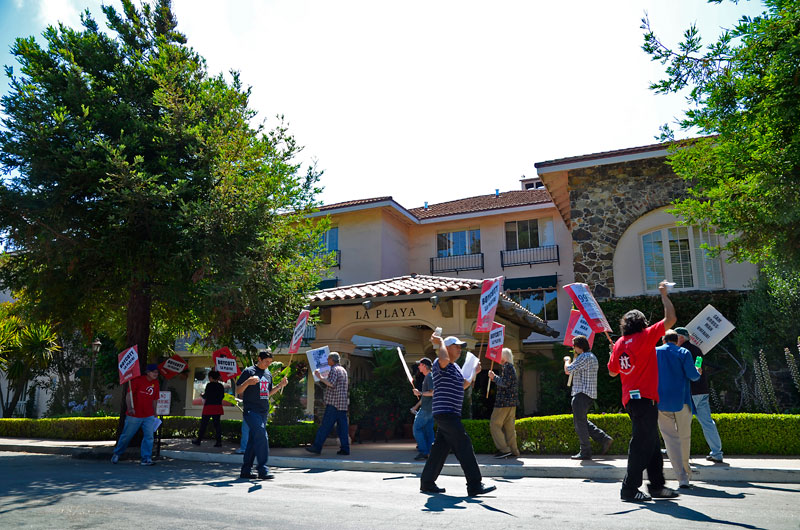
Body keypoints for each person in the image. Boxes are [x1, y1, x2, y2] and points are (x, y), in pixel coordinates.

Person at [608, 280, 679, 502]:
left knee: (651, 442)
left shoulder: (619, 343)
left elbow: (612, 372)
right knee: (641, 442)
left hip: (631, 400)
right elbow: (671, 320)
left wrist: (615, 353)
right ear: (642, 323)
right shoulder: (646, 336)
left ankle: (657, 486)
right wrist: (664, 295)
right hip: (645, 399)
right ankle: (629, 489)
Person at [420, 334, 496, 497]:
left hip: (448, 413)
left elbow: (463, 385)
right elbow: (442, 358)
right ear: (447, 348)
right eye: (457, 346)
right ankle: (474, 485)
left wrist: (474, 372)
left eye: (461, 346)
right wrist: (440, 341)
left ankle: (427, 483)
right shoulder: (440, 363)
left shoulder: (454, 367)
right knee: (464, 445)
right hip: (446, 413)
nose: (460, 349)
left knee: (439, 450)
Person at [657, 329, 702, 489]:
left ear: (663, 340)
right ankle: (685, 475)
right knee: (684, 437)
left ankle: (680, 476)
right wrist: (698, 370)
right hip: (682, 400)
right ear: (677, 340)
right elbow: (693, 376)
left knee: (670, 440)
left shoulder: (655, 352)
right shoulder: (684, 352)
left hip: (661, 401)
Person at [236, 350, 288, 480]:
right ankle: (262, 469)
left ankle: (246, 471)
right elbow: (238, 391)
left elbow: (267, 393)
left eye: (270, 362)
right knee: (262, 436)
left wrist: (279, 386)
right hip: (251, 411)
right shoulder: (249, 372)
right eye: (266, 361)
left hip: (263, 411)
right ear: (259, 359)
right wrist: (248, 382)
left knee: (254, 441)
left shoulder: (268, 373)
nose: (268, 364)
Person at [675, 326, 724, 463]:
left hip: (689, 391)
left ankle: (679, 451)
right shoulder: (697, 350)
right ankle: (717, 453)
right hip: (702, 390)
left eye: (675, 336)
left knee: (682, 422)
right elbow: (699, 369)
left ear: (680, 338)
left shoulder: (681, 351)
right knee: (707, 422)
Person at [563, 336, 613, 460]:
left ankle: (585, 451)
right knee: (582, 422)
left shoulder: (584, 357)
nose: (573, 349)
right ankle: (603, 438)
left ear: (579, 346)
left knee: (579, 424)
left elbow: (568, 370)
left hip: (581, 394)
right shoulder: (592, 357)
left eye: (574, 346)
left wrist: (566, 360)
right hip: (589, 394)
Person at [111, 363, 160, 466]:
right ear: (147, 372)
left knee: (149, 437)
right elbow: (129, 395)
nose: (156, 374)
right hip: (134, 415)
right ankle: (117, 454)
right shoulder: (137, 381)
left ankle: (146, 458)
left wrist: (155, 413)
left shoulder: (156, 383)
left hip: (148, 415)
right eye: (153, 372)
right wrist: (130, 408)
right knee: (127, 436)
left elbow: (155, 399)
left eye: (156, 372)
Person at [306, 352, 350, 455]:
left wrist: (320, 377)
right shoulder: (343, 370)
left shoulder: (334, 370)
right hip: (342, 404)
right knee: (343, 428)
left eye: (328, 359)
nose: (327, 361)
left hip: (334, 403)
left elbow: (331, 383)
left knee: (325, 426)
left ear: (332, 360)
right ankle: (345, 448)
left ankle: (317, 447)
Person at [487, 347, 520, 459]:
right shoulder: (511, 367)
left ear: (504, 356)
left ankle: (504, 449)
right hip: (511, 402)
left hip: (503, 403)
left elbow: (505, 383)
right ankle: (513, 450)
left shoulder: (506, 367)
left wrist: (494, 377)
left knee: (494, 424)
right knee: (509, 427)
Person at [192, 370, 224, 447]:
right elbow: (222, 396)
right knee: (217, 425)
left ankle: (198, 440)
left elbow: (206, 396)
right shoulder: (221, 386)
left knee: (203, 424)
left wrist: (202, 395)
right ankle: (219, 442)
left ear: (211, 377)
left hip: (209, 406)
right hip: (218, 407)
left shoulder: (209, 385)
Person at [412, 357, 435, 461]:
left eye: (420, 364)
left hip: (426, 409)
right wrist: (416, 406)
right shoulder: (429, 376)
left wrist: (420, 393)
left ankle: (423, 451)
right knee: (428, 431)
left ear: (424, 366)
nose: (418, 366)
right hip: (430, 409)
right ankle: (431, 452)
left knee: (417, 429)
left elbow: (433, 392)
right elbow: (427, 395)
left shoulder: (429, 377)